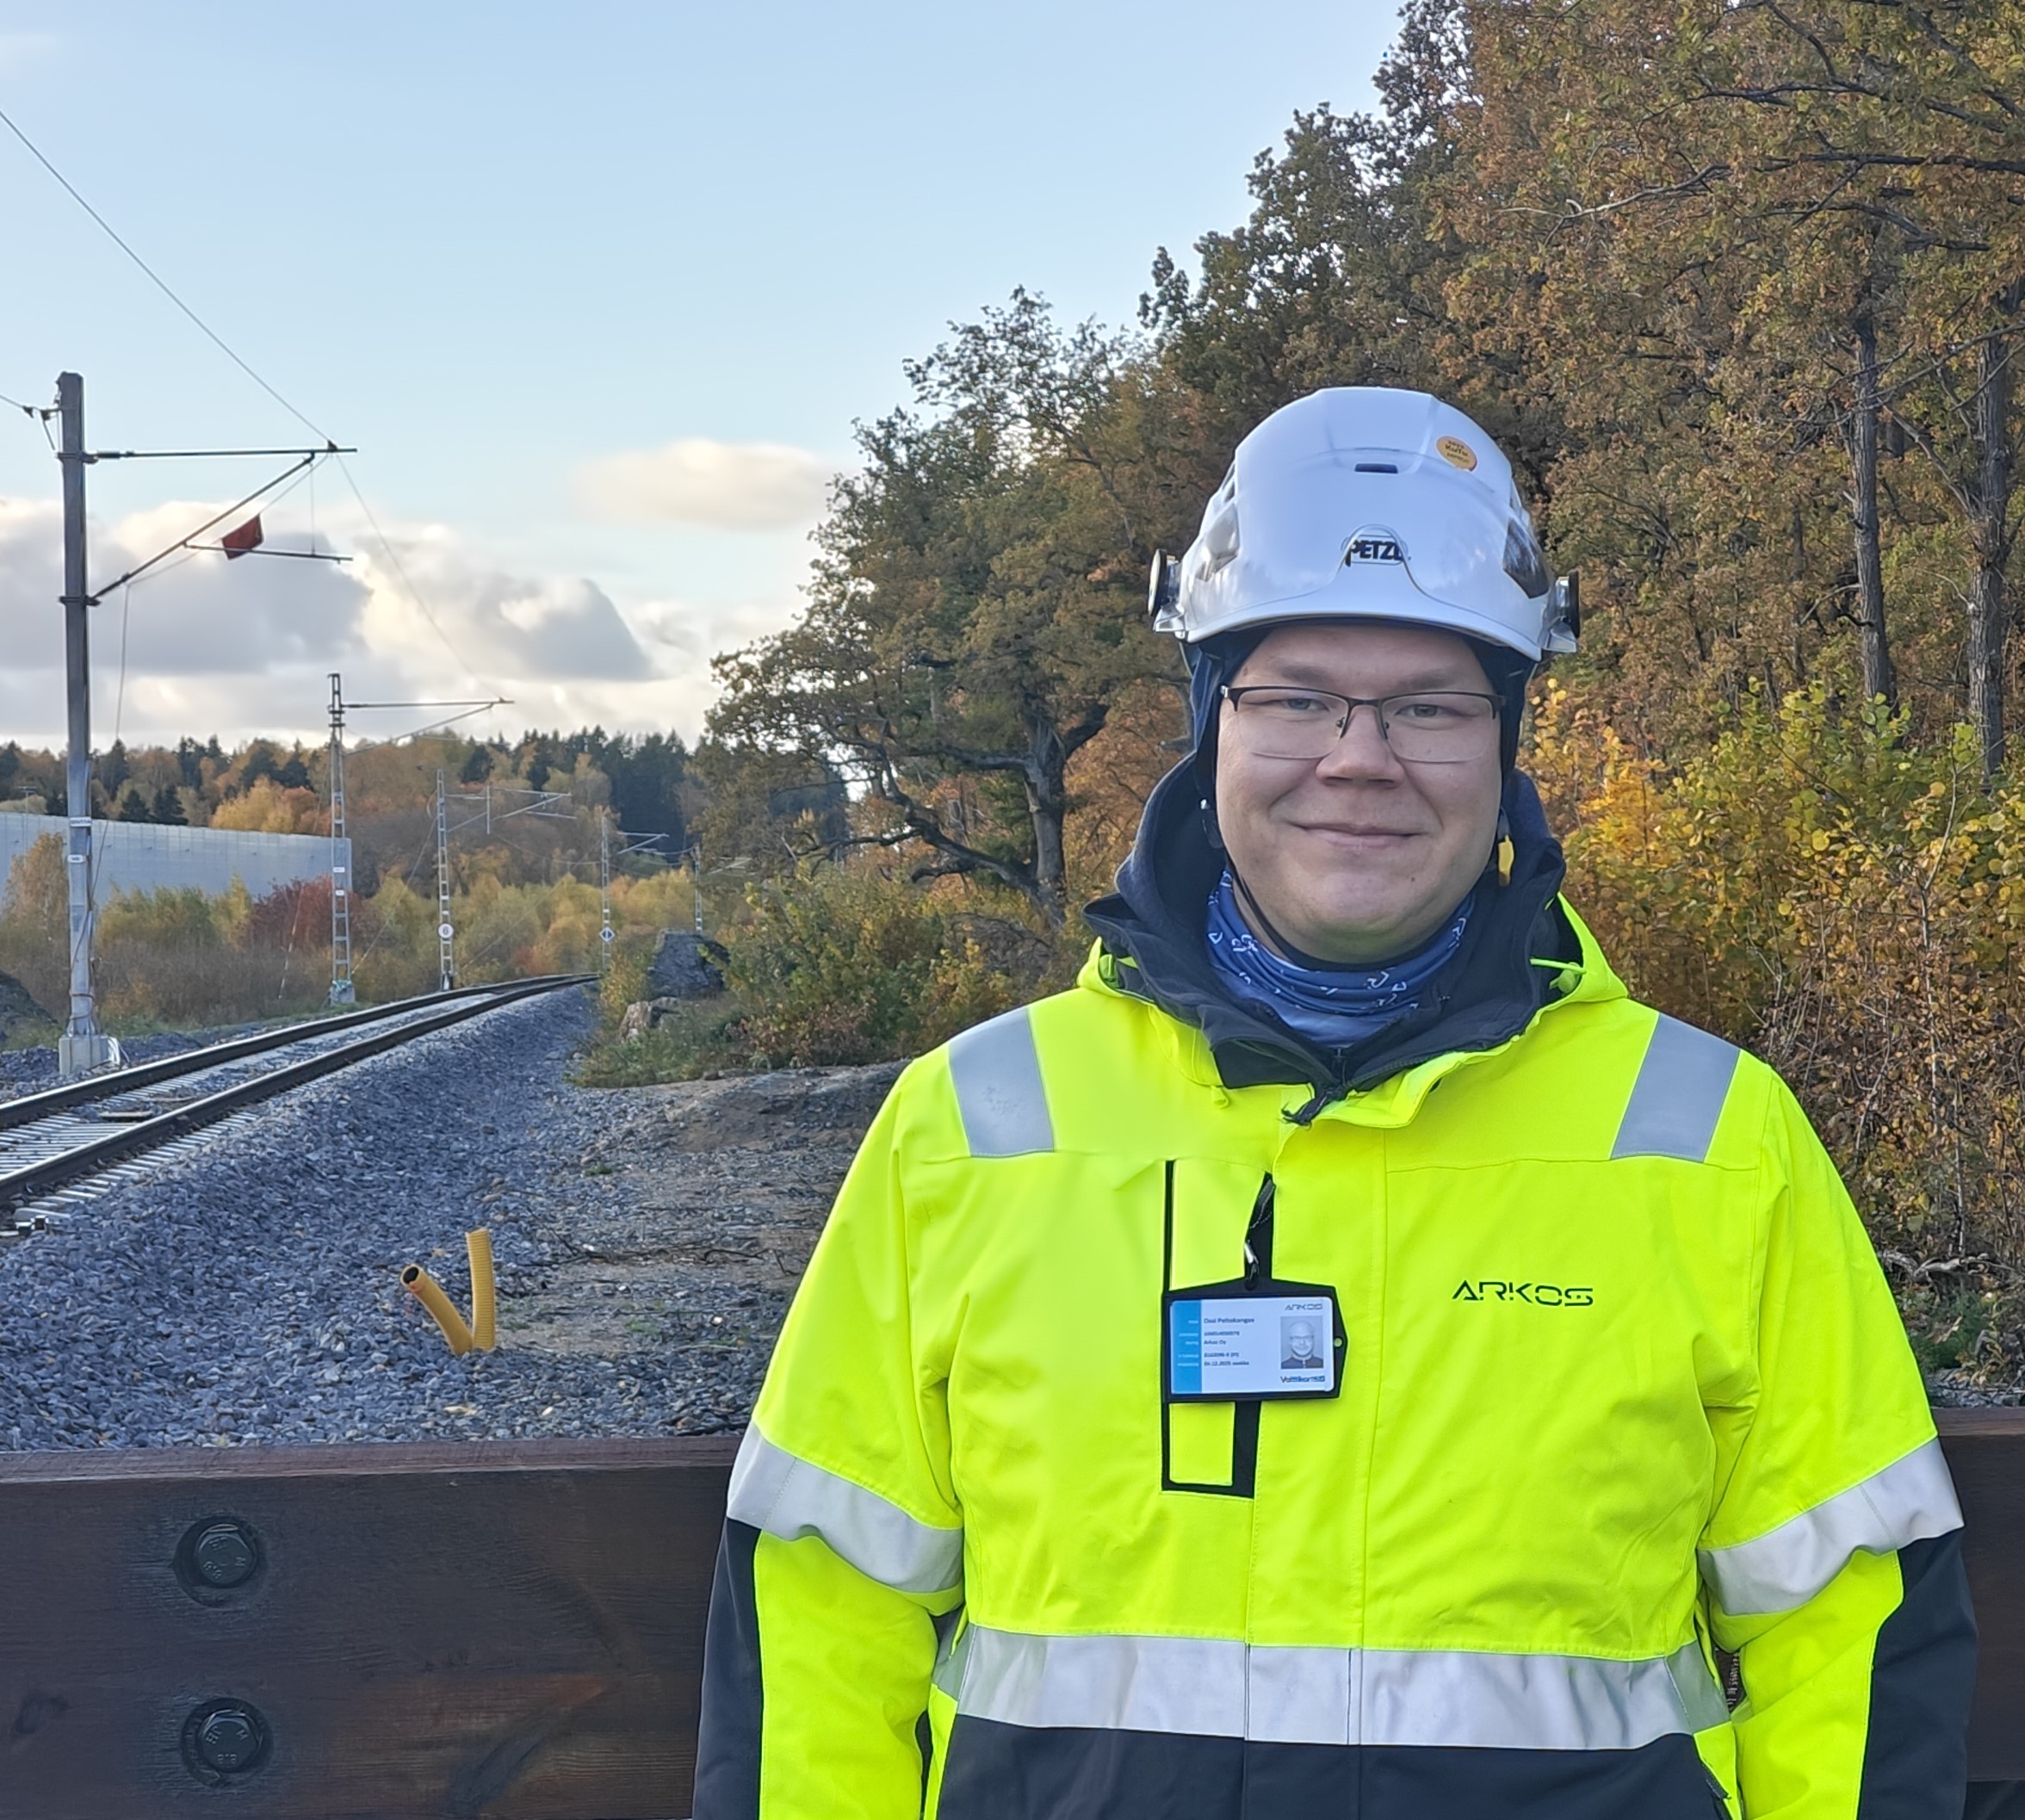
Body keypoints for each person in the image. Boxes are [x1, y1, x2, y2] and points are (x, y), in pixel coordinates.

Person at [693, 387, 1974, 1819]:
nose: (1358, 756)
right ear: (1208, 721)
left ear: (1506, 743)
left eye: (1430, 704)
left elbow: (1850, 1638)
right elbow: (822, 1627)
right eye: (1298, 695)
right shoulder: (973, 1130)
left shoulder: (1713, 1144)